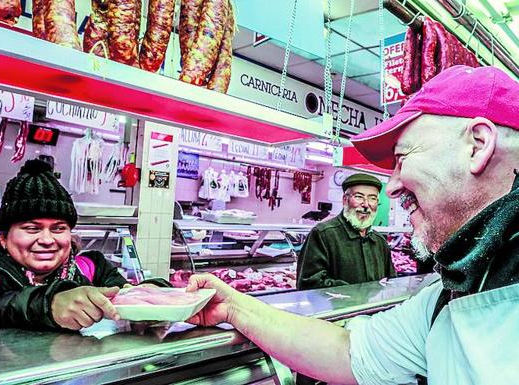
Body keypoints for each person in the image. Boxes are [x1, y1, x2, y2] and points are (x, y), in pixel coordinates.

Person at [186, 65, 519, 385]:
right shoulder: (444, 300)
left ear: (477, 144)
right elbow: (347, 351)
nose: (391, 188)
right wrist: (231, 306)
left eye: (402, 159)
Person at [0, 159, 168, 335]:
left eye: (58, 228)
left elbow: (129, 295)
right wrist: (47, 304)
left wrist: (163, 296)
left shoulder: (90, 267)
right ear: (4, 238)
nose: (47, 239)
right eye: (32, 228)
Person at [297, 173, 395, 290]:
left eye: (372, 198)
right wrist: (358, 294)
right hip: (338, 308)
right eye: (359, 197)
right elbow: (308, 283)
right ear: (345, 200)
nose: (366, 204)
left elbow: (391, 281)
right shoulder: (323, 234)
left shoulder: (380, 242)